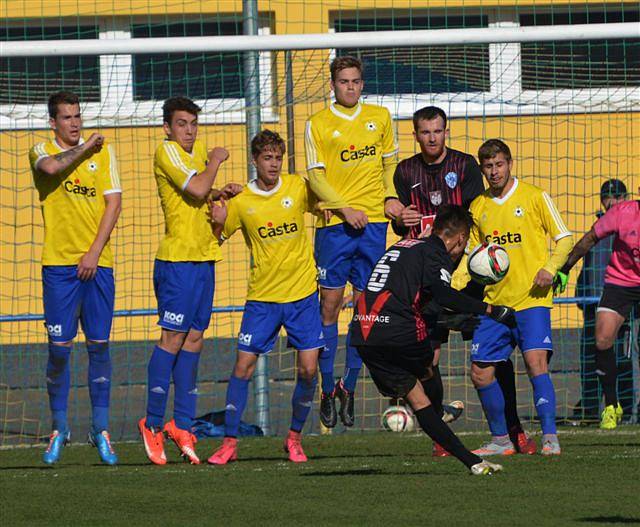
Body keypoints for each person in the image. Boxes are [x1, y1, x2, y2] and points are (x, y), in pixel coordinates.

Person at [393, 106, 535, 456]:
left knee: (494, 357)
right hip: (428, 276)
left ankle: (512, 430)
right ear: (415, 135)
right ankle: (441, 436)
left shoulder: (465, 166)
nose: (432, 138)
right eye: (425, 132)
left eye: (438, 131)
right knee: (430, 357)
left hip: (471, 275)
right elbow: (400, 224)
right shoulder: (404, 171)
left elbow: (480, 214)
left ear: (446, 132)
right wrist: (401, 218)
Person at [350, 204, 514, 475]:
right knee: (429, 360)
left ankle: (473, 461)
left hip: (363, 332)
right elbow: (443, 294)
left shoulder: (404, 245)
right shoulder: (434, 252)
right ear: (460, 239)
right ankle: (439, 411)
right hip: (396, 331)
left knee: (418, 395)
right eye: (464, 245)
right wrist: (490, 310)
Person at [207, 130, 323, 464]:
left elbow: (323, 206)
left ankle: (294, 439)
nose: (273, 164)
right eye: (267, 158)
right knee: (242, 367)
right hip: (263, 298)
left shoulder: (297, 187)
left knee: (307, 371)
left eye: (277, 158)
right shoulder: (241, 200)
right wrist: (217, 222)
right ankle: (229, 442)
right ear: (255, 160)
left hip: (302, 295)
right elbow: (218, 235)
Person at [138, 96, 240, 465]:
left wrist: (221, 194)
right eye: (182, 124)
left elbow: (203, 195)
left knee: (195, 339)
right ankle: (151, 422)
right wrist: (215, 162)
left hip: (203, 259)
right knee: (173, 337)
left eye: (193, 124)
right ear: (168, 127)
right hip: (177, 261)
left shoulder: (194, 159)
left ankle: (181, 423)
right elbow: (196, 190)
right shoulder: (167, 152)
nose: (189, 130)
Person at [304, 55, 403, 428]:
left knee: (367, 311)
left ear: (363, 83)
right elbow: (314, 177)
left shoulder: (380, 117)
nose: (350, 87)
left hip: (374, 226)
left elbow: (389, 166)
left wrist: (390, 198)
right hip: (335, 226)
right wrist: (344, 208)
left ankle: (350, 385)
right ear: (333, 85)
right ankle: (327, 387)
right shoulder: (318, 124)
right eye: (344, 81)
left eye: (356, 81)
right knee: (329, 307)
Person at [29, 91, 122, 465]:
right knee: (59, 350)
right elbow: (51, 170)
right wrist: (85, 149)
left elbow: (114, 203)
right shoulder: (40, 150)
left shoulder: (106, 153)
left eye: (77, 116)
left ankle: (100, 429)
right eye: (66, 117)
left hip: (98, 265)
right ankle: (60, 428)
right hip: (58, 268)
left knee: (99, 346)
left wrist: (94, 253)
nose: (74, 123)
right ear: (53, 122)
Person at [465, 139, 573, 456]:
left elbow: (564, 239)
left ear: (509, 163)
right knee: (480, 372)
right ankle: (501, 440)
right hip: (495, 305)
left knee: (535, 362)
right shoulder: (479, 207)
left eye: (499, 164)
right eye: (488, 166)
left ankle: (550, 437)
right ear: (482, 169)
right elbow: (473, 257)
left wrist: (550, 270)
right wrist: (452, 283)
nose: (494, 171)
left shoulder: (534, 196)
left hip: (532, 299)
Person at [554, 183, 639, 430]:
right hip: (620, 282)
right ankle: (611, 406)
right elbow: (589, 238)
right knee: (602, 340)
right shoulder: (623, 212)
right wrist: (565, 268)